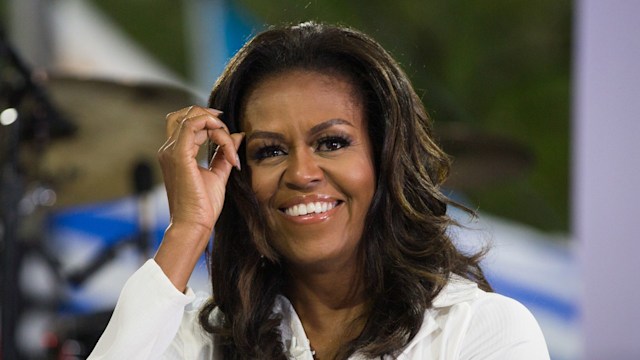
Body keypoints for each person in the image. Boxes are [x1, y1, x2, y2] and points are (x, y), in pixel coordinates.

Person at [88, 22, 549, 359]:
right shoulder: (200, 340)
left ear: (386, 159)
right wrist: (186, 230)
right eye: (269, 152)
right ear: (240, 175)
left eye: (332, 143)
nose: (302, 173)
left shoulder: (480, 329)